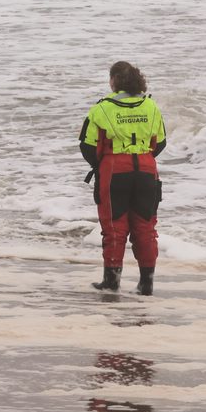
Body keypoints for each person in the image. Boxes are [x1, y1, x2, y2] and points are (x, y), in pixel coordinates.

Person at [78, 61, 167, 295]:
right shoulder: (151, 106)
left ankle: (111, 282)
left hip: (115, 170)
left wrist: (102, 165)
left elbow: (88, 146)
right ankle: (146, 284)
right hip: (147, 170)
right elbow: (160, 142)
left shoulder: (101, 109)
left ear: (114, 81)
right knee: (146, 228)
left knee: (114, 228)